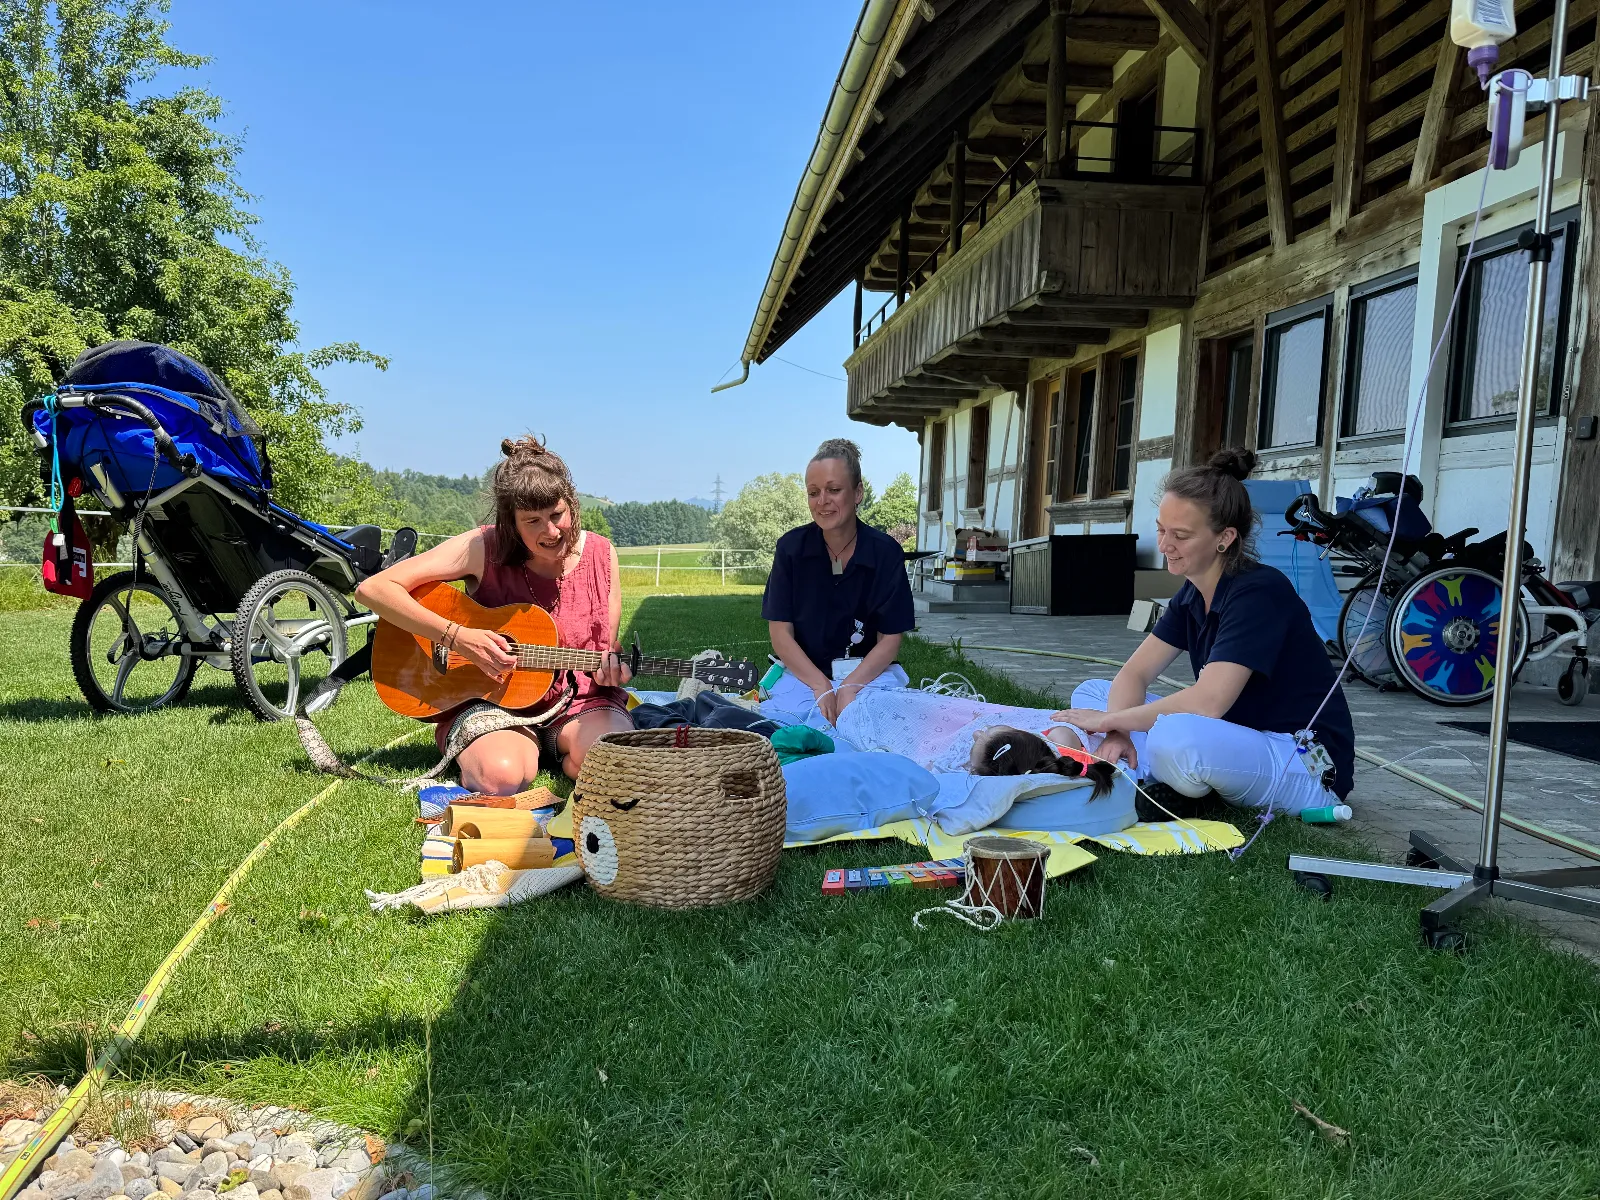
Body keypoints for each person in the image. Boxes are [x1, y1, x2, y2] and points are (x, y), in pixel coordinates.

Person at [1047, 449, 1354, 816]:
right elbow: (1135, 672)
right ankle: (1147, 767)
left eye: (1181, 535)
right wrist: (1118, 731)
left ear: (1224, 538)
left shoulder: (1259, 592)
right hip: (1239, 738)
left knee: (1174, 738)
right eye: (1161, 529)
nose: (1164, 545)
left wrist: (1109, 721)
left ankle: (1167, 782)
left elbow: (1208, 702)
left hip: (1304, 761)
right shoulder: (1193, 592)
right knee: (1095, 691)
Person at [355, 436, 632, 795]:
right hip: (492, 704)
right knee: (499, 777)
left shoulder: (601, 554)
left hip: (579, 700)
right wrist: (456, 637)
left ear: (572, 504)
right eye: (532, 521)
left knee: (618, 766)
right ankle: (514, 750)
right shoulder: (482, 547)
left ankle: (565, 752)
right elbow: (374, 589)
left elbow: (606, 648)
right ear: (510, 524)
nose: (550, 531)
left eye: (557, 515)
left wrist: (613, 670)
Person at [763, 438, 916, 725]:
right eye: (813, 492)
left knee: (875, 727)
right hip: (802, 676)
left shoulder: (885, 553)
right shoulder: (790, 549)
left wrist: (849, 688)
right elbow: (781, 634)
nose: (822, 501)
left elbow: (890, 638)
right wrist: (821, 686)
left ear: (858, 492)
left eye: (834, 490)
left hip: (868, 675)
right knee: (784, 731)